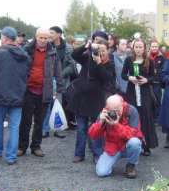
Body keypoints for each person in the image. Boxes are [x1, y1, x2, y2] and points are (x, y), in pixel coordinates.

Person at [0, 27, 30, 165]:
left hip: (0, 95)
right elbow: (26, 73)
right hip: (18, 95)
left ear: (4, 38)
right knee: (15, 127)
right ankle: (11, 156)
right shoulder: (24, 54)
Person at [70, 32, 116, 163]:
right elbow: (74, 55)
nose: (100, 53)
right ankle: (79, 153)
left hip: (97, 100)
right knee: (81, 128)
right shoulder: (87, 58)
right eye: (98, 50)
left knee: (96, 128)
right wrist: (86, 46)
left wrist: (99, 63)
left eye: (103, 50)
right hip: (81, 98)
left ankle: (97, 153)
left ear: (108, 50)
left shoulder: (109, 64)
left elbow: (108, 79)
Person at [18, 28, 63, 157]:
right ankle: (22, 146)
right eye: (41, 37)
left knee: (40, 121)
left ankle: (36, 146)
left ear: (49, 39)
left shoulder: (53, 52)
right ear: (36, 37)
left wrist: (59, 90)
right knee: (25, 121)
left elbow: (58, 72)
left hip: (45, 91)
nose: (43, 40)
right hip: (28, 90)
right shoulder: (26, 50)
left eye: (46, 38)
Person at [88, 95, 143, 179]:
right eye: (112, 110)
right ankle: (109, 162)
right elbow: (93, 135)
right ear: (108, 107)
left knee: (135, 142)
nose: (115, 113)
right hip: (112, 147)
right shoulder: (105, 112)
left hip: (127, 146)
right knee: (101, 172)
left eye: (117, 110)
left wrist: (116, 125)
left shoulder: (131, 111)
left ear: (122, 105)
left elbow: (132, 134)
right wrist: (100, 122)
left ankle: (130, 166)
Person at [122, 39, 158, 155]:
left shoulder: (149, 61)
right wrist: (129, 78)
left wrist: (147, 80)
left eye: (140, 47)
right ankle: (132, 144)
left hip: (145, 92)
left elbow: (154, 77)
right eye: (136, 47)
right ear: (133, 48)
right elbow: (123, 74)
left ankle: (146, 146)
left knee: (146, 117)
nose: (138, 49)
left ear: (144, 48)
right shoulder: (129, 60)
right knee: (132, 117)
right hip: (132, 92)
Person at [42, 26, 73, 139]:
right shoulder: (46, 46)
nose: (49, 35)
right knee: (46, 105)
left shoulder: (67, 48)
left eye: (52, 33)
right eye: (49, 32)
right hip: (48, 80)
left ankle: (57, 129)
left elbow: (72, 64)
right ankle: (44, 129)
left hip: (61, 81)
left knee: (57, 105)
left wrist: (62, 74)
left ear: (59, 34)